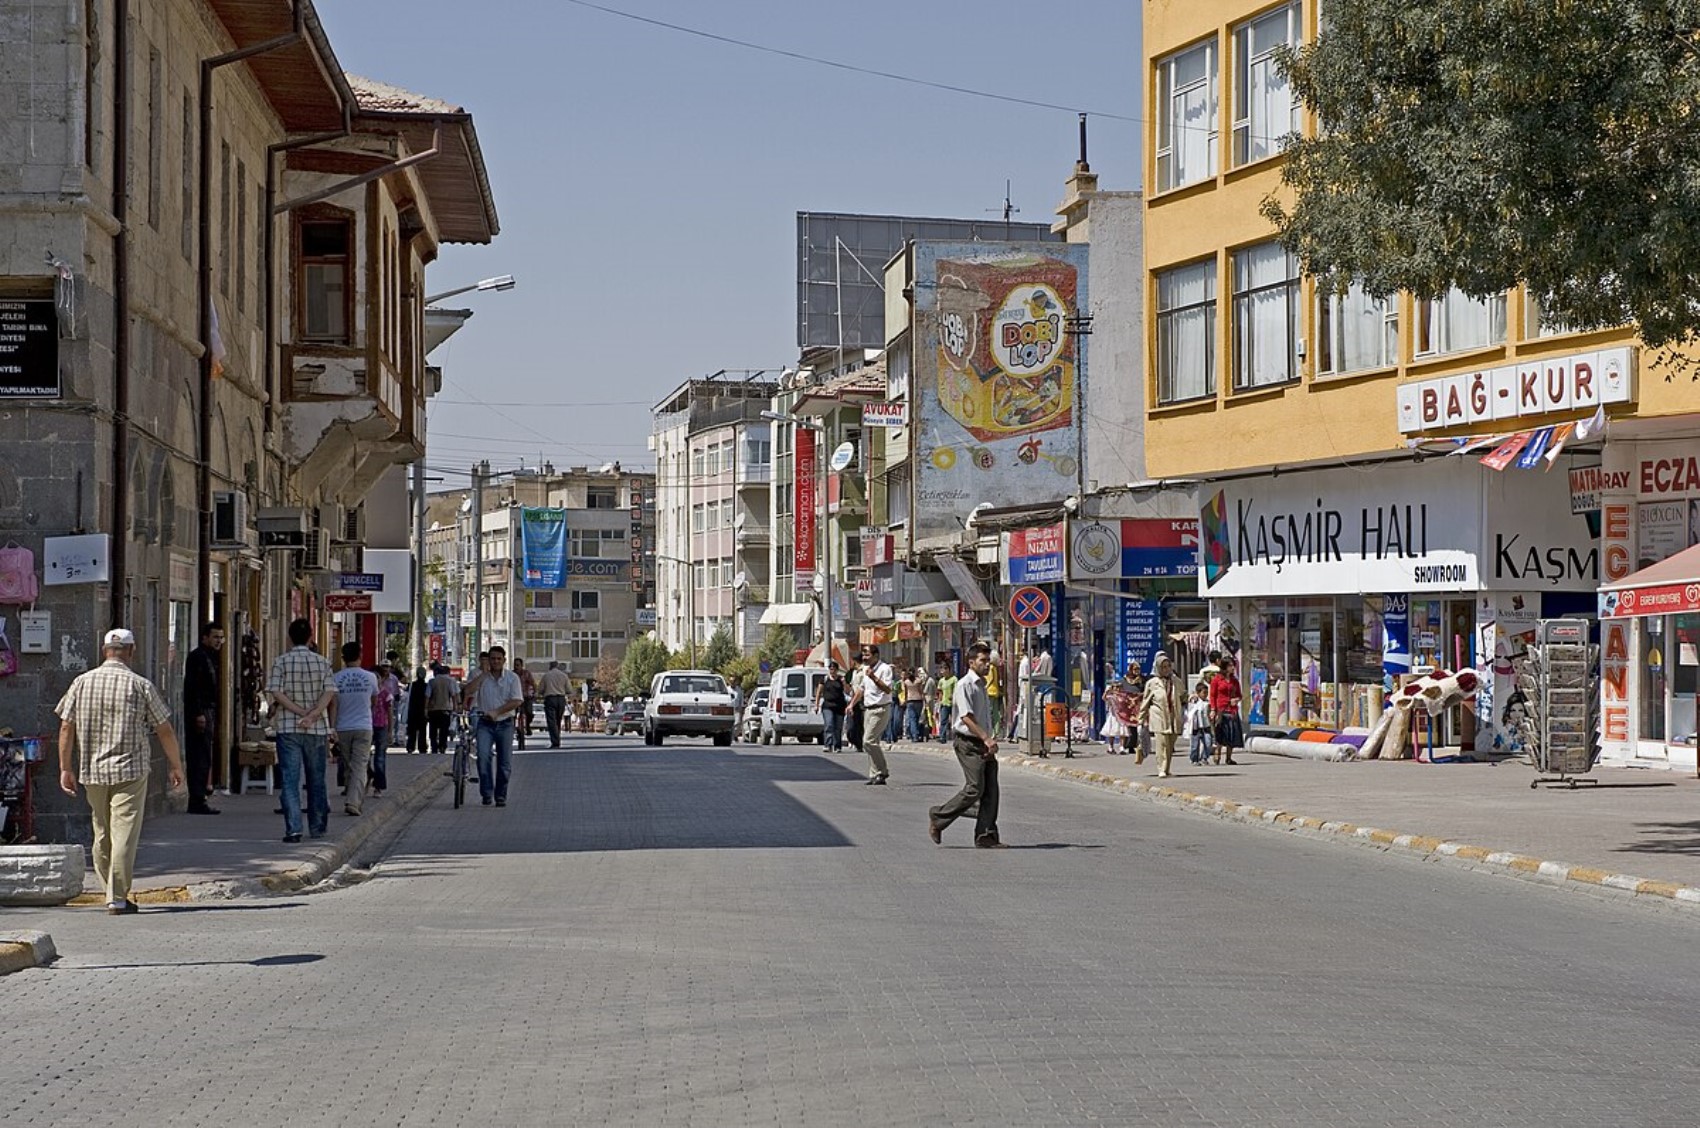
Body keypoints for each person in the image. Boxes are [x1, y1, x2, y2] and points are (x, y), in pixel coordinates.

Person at [55, 628, 186, 914]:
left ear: (104, 651)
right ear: (131, 651)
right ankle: (117, 896)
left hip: (93, 770)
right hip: (130, 769)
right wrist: (176, 765)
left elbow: (66, 726)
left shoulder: (81, 683)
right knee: (124, 832)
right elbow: (164, 729)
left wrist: (65, 767)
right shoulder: (140, 685)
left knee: (102, 831)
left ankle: (110, 891)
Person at [266, 618, 336, 843]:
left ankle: (293, 829)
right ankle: (317, 827)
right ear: (310, 638)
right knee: (316, 779)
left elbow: (276, 692)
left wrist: (298, 711)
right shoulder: (323, 662)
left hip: (288, 728)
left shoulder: (280, 662)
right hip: (317, 729)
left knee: (290, 779)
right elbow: (329, 692)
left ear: (289, 638)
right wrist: (313, 714)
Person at [928, 642, 1003, 848]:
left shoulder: (981, 684)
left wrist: (989, 739)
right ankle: (938, 816)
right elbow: (967, 717)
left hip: (983, 742)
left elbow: (983, 716)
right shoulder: (965, 685)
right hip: (968, 742)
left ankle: (986, 835)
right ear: (971, 662)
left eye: (988, 661)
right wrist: (986, 738)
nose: (987, 665)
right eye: (983, 661)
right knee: (974, 788)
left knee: (991, 791)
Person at [470, 645, 524, 807]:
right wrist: (483, 675)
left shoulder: (512, 678)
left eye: (499, 659)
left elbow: (517, 700)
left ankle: (500, 795)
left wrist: (497, 712)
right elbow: (468, 691)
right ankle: (487, 793)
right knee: (483, 757)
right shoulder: (482, 677)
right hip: (485, 724)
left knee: (504, 762)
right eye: (492, 659)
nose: (495, 662)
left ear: (504, 660)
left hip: (505, 723)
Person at [330, 642, 379, 816]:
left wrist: (332, 728)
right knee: (360, 765)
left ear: (343, 658)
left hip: (343, 728)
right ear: (360, 656)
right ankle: (353, 801)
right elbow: (374, 701)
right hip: (363, 726)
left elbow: (333, 705)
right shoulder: (371, 677)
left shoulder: (336, 678)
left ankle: (352, 796)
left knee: (349, 765)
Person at [181, 621, 224, 814]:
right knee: (198, 755)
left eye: (221, 638)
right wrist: (198, 713)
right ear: (205, 638)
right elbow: (193, 687)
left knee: (204, 754)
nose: (218, 641)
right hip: (201, 711)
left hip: (208, 710)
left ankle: (200, 796)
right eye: (215, 637)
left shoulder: (211, 657)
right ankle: (197, 799)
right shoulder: (198, 657)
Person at [1140, 652, 1183, 778]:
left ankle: (1167, 767)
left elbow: (1183, 695)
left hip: (1173, 716)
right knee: (1162, 742)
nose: (1166, 669)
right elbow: (1145, 702)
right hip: (1158, 715)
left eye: (1168, 666)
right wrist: (1140, 719)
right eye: (1163, 667)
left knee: (1170, 744)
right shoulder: (1152, 683)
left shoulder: (1176, 681)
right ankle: (1161, 768)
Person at [857, 644, 894, 785]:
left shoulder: (885, 669)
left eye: (867, 654)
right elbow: (861, 689)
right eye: (863, 654)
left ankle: (882, 771)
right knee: (871, 743)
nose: (864, 657)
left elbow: (887, 689)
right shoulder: (865, 669)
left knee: (868, 741)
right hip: (868, 709)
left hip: (881, 709)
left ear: (876, 655)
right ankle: (875, 774)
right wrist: (851, 704)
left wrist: (873, 677)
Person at [1209, 656, 1245, 766]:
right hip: (1221, 709)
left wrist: (1236, 700)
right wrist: (1213, 709)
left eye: (1233, 665)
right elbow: (1212, 695)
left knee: (1232, 734)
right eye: (1230, 665)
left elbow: (1239, 695)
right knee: (1220, 733)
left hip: (1232, 710)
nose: (1232, 668)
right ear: (1224, 667)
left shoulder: (1234, 681)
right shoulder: (1217, 679)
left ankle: (1229, 757)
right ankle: (1217, 753)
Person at [370, 661, 396, 797]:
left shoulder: (386, 694)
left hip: (381, 727)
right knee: (363, 758)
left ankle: (378, 786)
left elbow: (390, 713)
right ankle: (368, 777)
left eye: (377, 677)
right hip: (367, 727)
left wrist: (390, 732)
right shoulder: (366, 693)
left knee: (380, 758)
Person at [426, 663, 459, 755]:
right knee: (444, 729)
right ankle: (442, 746)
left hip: (433, 709)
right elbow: (453, 695)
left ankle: (434, 746)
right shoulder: (449, 681)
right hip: (445, 708)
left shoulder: (432, 682)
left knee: (433, 729)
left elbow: (427, 696)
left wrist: (425, 708)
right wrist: (455, 707)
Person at [816, 661, 848, 752]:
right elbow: (819, 692)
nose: (832, 671)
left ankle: (837, 746)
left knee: (838, 727)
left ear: (837, 670)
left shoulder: (841, 679)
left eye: (834, 669)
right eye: (831, 669)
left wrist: (844, 683)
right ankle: (828, 744)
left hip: (839, 706)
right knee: (829, 724)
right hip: (828, 706)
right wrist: (816, 705)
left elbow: (847, 691)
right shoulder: (824, 679)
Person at [539, 660, 571, 747]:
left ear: (550, 666)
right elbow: (569, 690)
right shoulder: (564, 676)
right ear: (557, 666)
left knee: (551, 721)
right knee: (558, 720)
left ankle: (555, 741)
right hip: (561, 699)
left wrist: (545, 692)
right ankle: (557, 738)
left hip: (550, 699)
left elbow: (540, 690)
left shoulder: (546, 676)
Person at [1185, 682, 1214, 766]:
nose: (1205, 695)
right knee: (1195, 745)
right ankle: (1194, 759)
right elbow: (1190, 699)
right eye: (1204, 693)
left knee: (1208, 742)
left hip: (1206, 726)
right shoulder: (1195, 701)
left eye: (1207, 693)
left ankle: (1204, 757)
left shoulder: (1208, 703)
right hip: (1196, 726)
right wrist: (1193, 696)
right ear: (1198, 693)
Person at [405, 667, 429, 754]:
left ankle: (410, 746)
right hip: (422, 711)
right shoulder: (426, 686)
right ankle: (422, 747)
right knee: (422, 730)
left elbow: (408, 698)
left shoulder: (412, 685)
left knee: (412, 730)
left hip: (413, 710)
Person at [514, 658, 537, 748]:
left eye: (518, 665)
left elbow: (533, 684)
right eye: (515, 665)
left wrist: (534, 693)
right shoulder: (511, 674)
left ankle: (527, 726)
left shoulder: (527, 673)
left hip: (526, 697)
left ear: (521, 665)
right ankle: (513, 728)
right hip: (515, 698)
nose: (516, 667)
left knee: (529, 713)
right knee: (512, 715)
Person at [902, 664, 928, 743]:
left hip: (910, 700)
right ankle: (917, 734)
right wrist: (924, 700)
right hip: (918, 700)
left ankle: (914, 736)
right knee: (917, 718)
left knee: (912, 719)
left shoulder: (906, 682)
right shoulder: (918, 681)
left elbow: (905, 692)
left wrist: (905, 700)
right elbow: (921, 691)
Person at [934, 660, 957, 743]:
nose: (943, 671)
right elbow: (940, 691)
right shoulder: (941, 681)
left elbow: (956, 689)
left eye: (945, 669)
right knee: (943, 720)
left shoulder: (954, 679)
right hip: (944, 703)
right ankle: (942, 737)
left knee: (954, 721)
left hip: (953, 703)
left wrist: (953, 695)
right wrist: (939, 701)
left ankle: (956, 736)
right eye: (942, 669)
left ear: (949, 669)